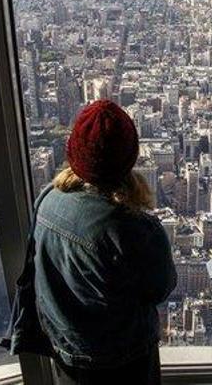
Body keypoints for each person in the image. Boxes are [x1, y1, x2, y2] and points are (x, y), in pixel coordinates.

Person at [33, 99, 176, 385]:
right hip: (123, 360)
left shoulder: (47, 200)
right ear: (130, 159)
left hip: (66, 352)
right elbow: (161, 288)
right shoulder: (135, 229)